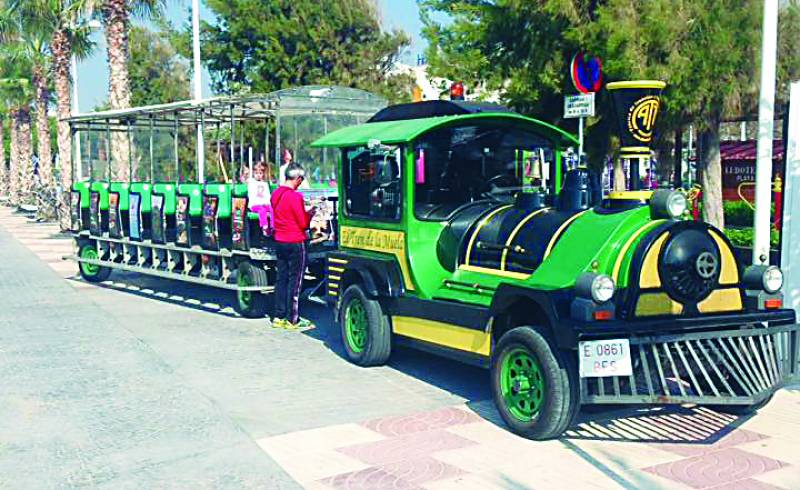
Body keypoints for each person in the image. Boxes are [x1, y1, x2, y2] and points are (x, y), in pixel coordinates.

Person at [271, 162, 316, 329]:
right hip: (295, 241)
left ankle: (278, 316)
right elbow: (303, 223)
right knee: (295, 281)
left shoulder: (276, 194)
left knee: (281, 278)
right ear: (297, 178)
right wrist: (310, 213)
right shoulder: (295, 197)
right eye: (301, 179)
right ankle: (293, 319)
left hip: (280, 240)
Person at [248, 162, 273, 236]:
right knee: (262, 210)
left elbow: (268, 196)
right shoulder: (252, 182)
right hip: (255, 205)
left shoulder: (265, 184)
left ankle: (273, 225)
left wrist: (269, 203)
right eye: (256, 173)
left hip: (264, 203)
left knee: (272, 209)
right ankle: (264, 226)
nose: (258, 175)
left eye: (260, 173)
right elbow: (246, 179)